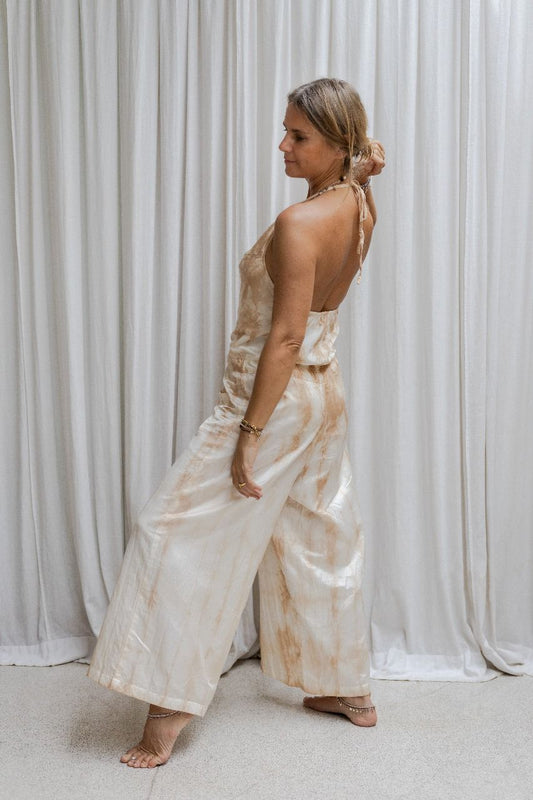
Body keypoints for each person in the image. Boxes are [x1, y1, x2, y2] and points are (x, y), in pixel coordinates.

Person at [88, 77, 385, 768]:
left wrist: (245, 437)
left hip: (273, 401)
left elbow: (281, 341)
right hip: (324, 393)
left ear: (337, 144)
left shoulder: (298, 222)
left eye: (298, 136)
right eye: (284, 130)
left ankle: (167, 709)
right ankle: (346, 689)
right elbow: (363, 170)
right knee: (319, 532)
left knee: (178, 534)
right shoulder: (358, 204)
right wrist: (362, 166)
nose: (282, 145)